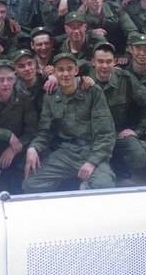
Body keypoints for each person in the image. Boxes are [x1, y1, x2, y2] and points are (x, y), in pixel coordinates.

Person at [22, 53, 116, 192]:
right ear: (54, 73)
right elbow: (45, 131)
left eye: (69, 69)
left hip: (91, 150)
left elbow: (106, 133)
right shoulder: (50, 96)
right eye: (60, 70)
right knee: (30, 184)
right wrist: (33, 148)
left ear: (76, 70)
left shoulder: (92, 91)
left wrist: (92, 162)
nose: (65, 74)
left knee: (104, 186)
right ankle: (66, 186)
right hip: (66, 152)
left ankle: (86, 186)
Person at [89, 42, 146, 176]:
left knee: (139, 156)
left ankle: (118, 162)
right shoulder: (85, 81)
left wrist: (137, 131)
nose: (104, 66)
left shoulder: (125, 79)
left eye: (109, 61)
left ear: (115, 62)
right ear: (93, 62)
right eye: (100, 61)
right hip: (92, 138)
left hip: (117, 135)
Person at [0, 59, 38, 195]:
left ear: (15, 80)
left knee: (16, 181)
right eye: (0, 79)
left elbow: (32, 130)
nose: (5, 84)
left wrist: (14, 149)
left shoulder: (24, 98)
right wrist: (6, 135)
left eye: (10, 79)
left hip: (17, 148)